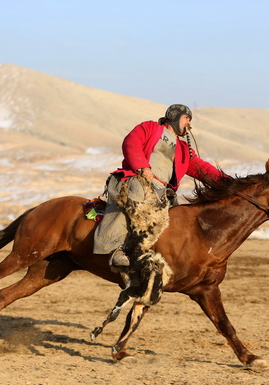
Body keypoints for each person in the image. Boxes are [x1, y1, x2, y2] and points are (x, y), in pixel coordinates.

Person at [93, 104, 225, 267]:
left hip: (162, 192)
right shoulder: (149, 128)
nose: (189, 123)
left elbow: (201, 168)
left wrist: (228, 182)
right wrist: (143, 167)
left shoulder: (184, 149)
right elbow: (131, 143)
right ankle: (115, 249)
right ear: (175, 116)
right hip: (137, 179)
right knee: (136, 195)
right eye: (187, 118)